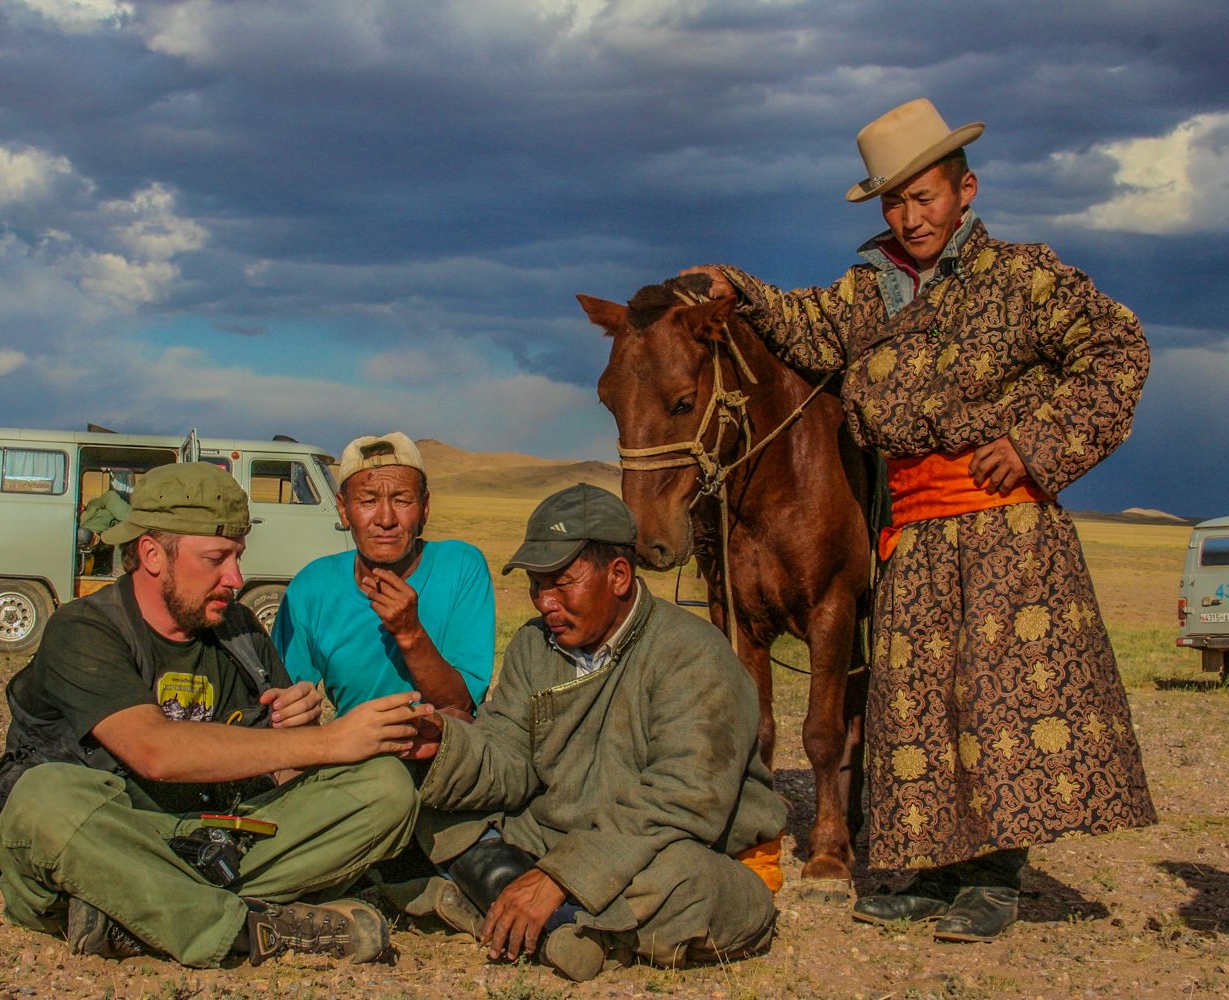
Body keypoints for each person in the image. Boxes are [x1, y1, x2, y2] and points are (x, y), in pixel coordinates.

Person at [685, 98, 1156, 942]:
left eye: (925, 197)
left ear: (964, 190)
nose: (910, 216)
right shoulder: (867, 292)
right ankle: (935, 875)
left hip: (1003, 525)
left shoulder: (1025, 276)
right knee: (917, 707)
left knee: (997, 703)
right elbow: (800, 324)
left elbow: (1120, 350)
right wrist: (738, 286)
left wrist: (1038, 444)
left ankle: (993, 882)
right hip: (912, 529)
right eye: (895, 202)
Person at [0, 462, 431, 968]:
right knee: (43, 799)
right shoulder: (83, 630)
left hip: (212, 847)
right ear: (153, 555)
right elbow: (154, 751)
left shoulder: (237, 629)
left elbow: (278, 770)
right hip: (110, 840)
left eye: (238, 557)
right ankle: (256, 929)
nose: (236, 578)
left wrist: (300, 729)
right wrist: (330, 742)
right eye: (217, 558)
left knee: (386, 787)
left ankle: (138, 917)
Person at [409, 484, 787, 981]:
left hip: (661, 849)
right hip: (551, 837)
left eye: (561, 583)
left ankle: (489, 903)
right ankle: (566, 929)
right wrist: (446, 747)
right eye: (536, 584)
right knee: (429, 805)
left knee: (698, 888)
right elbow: (508, 756)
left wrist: (560, 877)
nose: (544, 602)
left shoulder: (693, 653)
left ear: (619, 576)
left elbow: (684, 800)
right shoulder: (532, 646)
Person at [273, 432, 494, 717]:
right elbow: (282, 700)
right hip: (352, 753)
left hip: (440, 750)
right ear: (343, 509)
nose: (386, 519)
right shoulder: (312, 586)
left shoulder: (461, 567)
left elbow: (460, 705)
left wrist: (410, 633)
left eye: (402, 500)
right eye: (368, 501)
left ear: (424, 508)